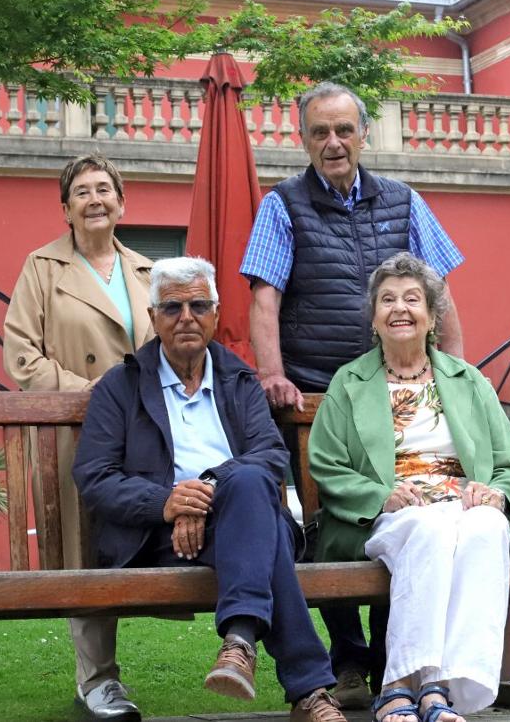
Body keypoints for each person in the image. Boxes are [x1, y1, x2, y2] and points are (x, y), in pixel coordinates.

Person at [239, 81, 467, 706]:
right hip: (316, 396)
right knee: (329, 520)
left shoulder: (404, 200)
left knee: (405, 509)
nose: (333, 143)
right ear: (304, 139)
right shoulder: (282, 204)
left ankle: (396, 653)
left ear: (364, 134)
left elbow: (438, 293)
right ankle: (347, 660)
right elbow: (265, 297)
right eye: (320, 132)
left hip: (398, 387)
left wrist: (457, 377)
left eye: (344, 130)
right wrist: (271, 374)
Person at [72, 257, 347, 722]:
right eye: (173, 307)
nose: (187, 317)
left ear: (216, 314)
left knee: (247, 484)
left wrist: (204, 491)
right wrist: (166, 503)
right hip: (158, 538)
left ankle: (242, 642)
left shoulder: (239, 380)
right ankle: (308, 689)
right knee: (268, 535)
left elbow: (269, 455)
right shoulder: (121, 386)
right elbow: (94, 475)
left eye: (199, 305)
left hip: (234, 520)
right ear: (154, 317)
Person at [306, 253, 510, 722]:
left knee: (487, 529)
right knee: (428, 530)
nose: (400, 309)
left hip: (461, 504)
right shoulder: (349, 382)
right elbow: (326, 465)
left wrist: (495, 493)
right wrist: (380, 495)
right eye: (387, 299)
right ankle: (404, 682)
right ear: (373, 317)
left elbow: (506, 461)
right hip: (386, 514)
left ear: (432, 317)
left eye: (412, 299)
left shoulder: (468, 380)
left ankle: (448, 688)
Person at [3, 153, 153, 722]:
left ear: (121, 202)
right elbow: (22, 355)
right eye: (82, 192)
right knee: (85, 548)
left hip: (145, 433)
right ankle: (97, 680)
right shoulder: (41, 267)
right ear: (65, 208)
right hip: (80, 429)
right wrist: (91, 395)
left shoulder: (145, 270)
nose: (95, 199)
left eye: (104, 190)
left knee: (137, 540)